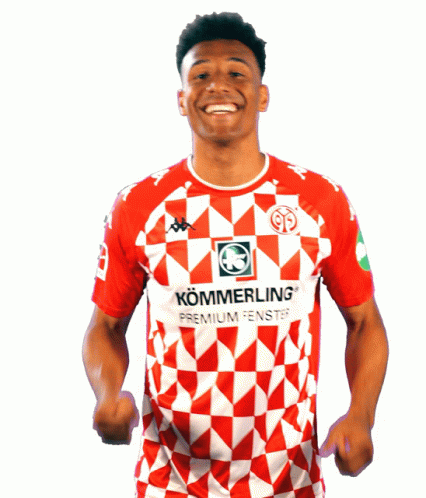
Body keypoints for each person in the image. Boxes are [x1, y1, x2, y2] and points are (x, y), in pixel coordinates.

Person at [82, 12, 389, 498]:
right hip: (170, 481)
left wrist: (362, 415)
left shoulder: (319, 201)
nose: (218, 85)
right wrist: (106, 396)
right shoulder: (139, 206)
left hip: (288, 481)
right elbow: (105, 327)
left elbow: (364, 323)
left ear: (263, 95)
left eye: (236, 72)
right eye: (201, 73)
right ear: (181, 99)